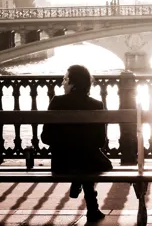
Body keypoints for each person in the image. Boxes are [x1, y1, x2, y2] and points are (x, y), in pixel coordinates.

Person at [41, 64, 113, 223]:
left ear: (73, 83)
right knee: (93, 162)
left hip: (61, 163)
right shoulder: (97, 105)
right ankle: (91, 207)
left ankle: (78, 182)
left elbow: (45, 138)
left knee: (81, 161)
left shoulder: (57, 102)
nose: (63, 83)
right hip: (89, 162)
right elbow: (100, 142)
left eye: (65, 79)